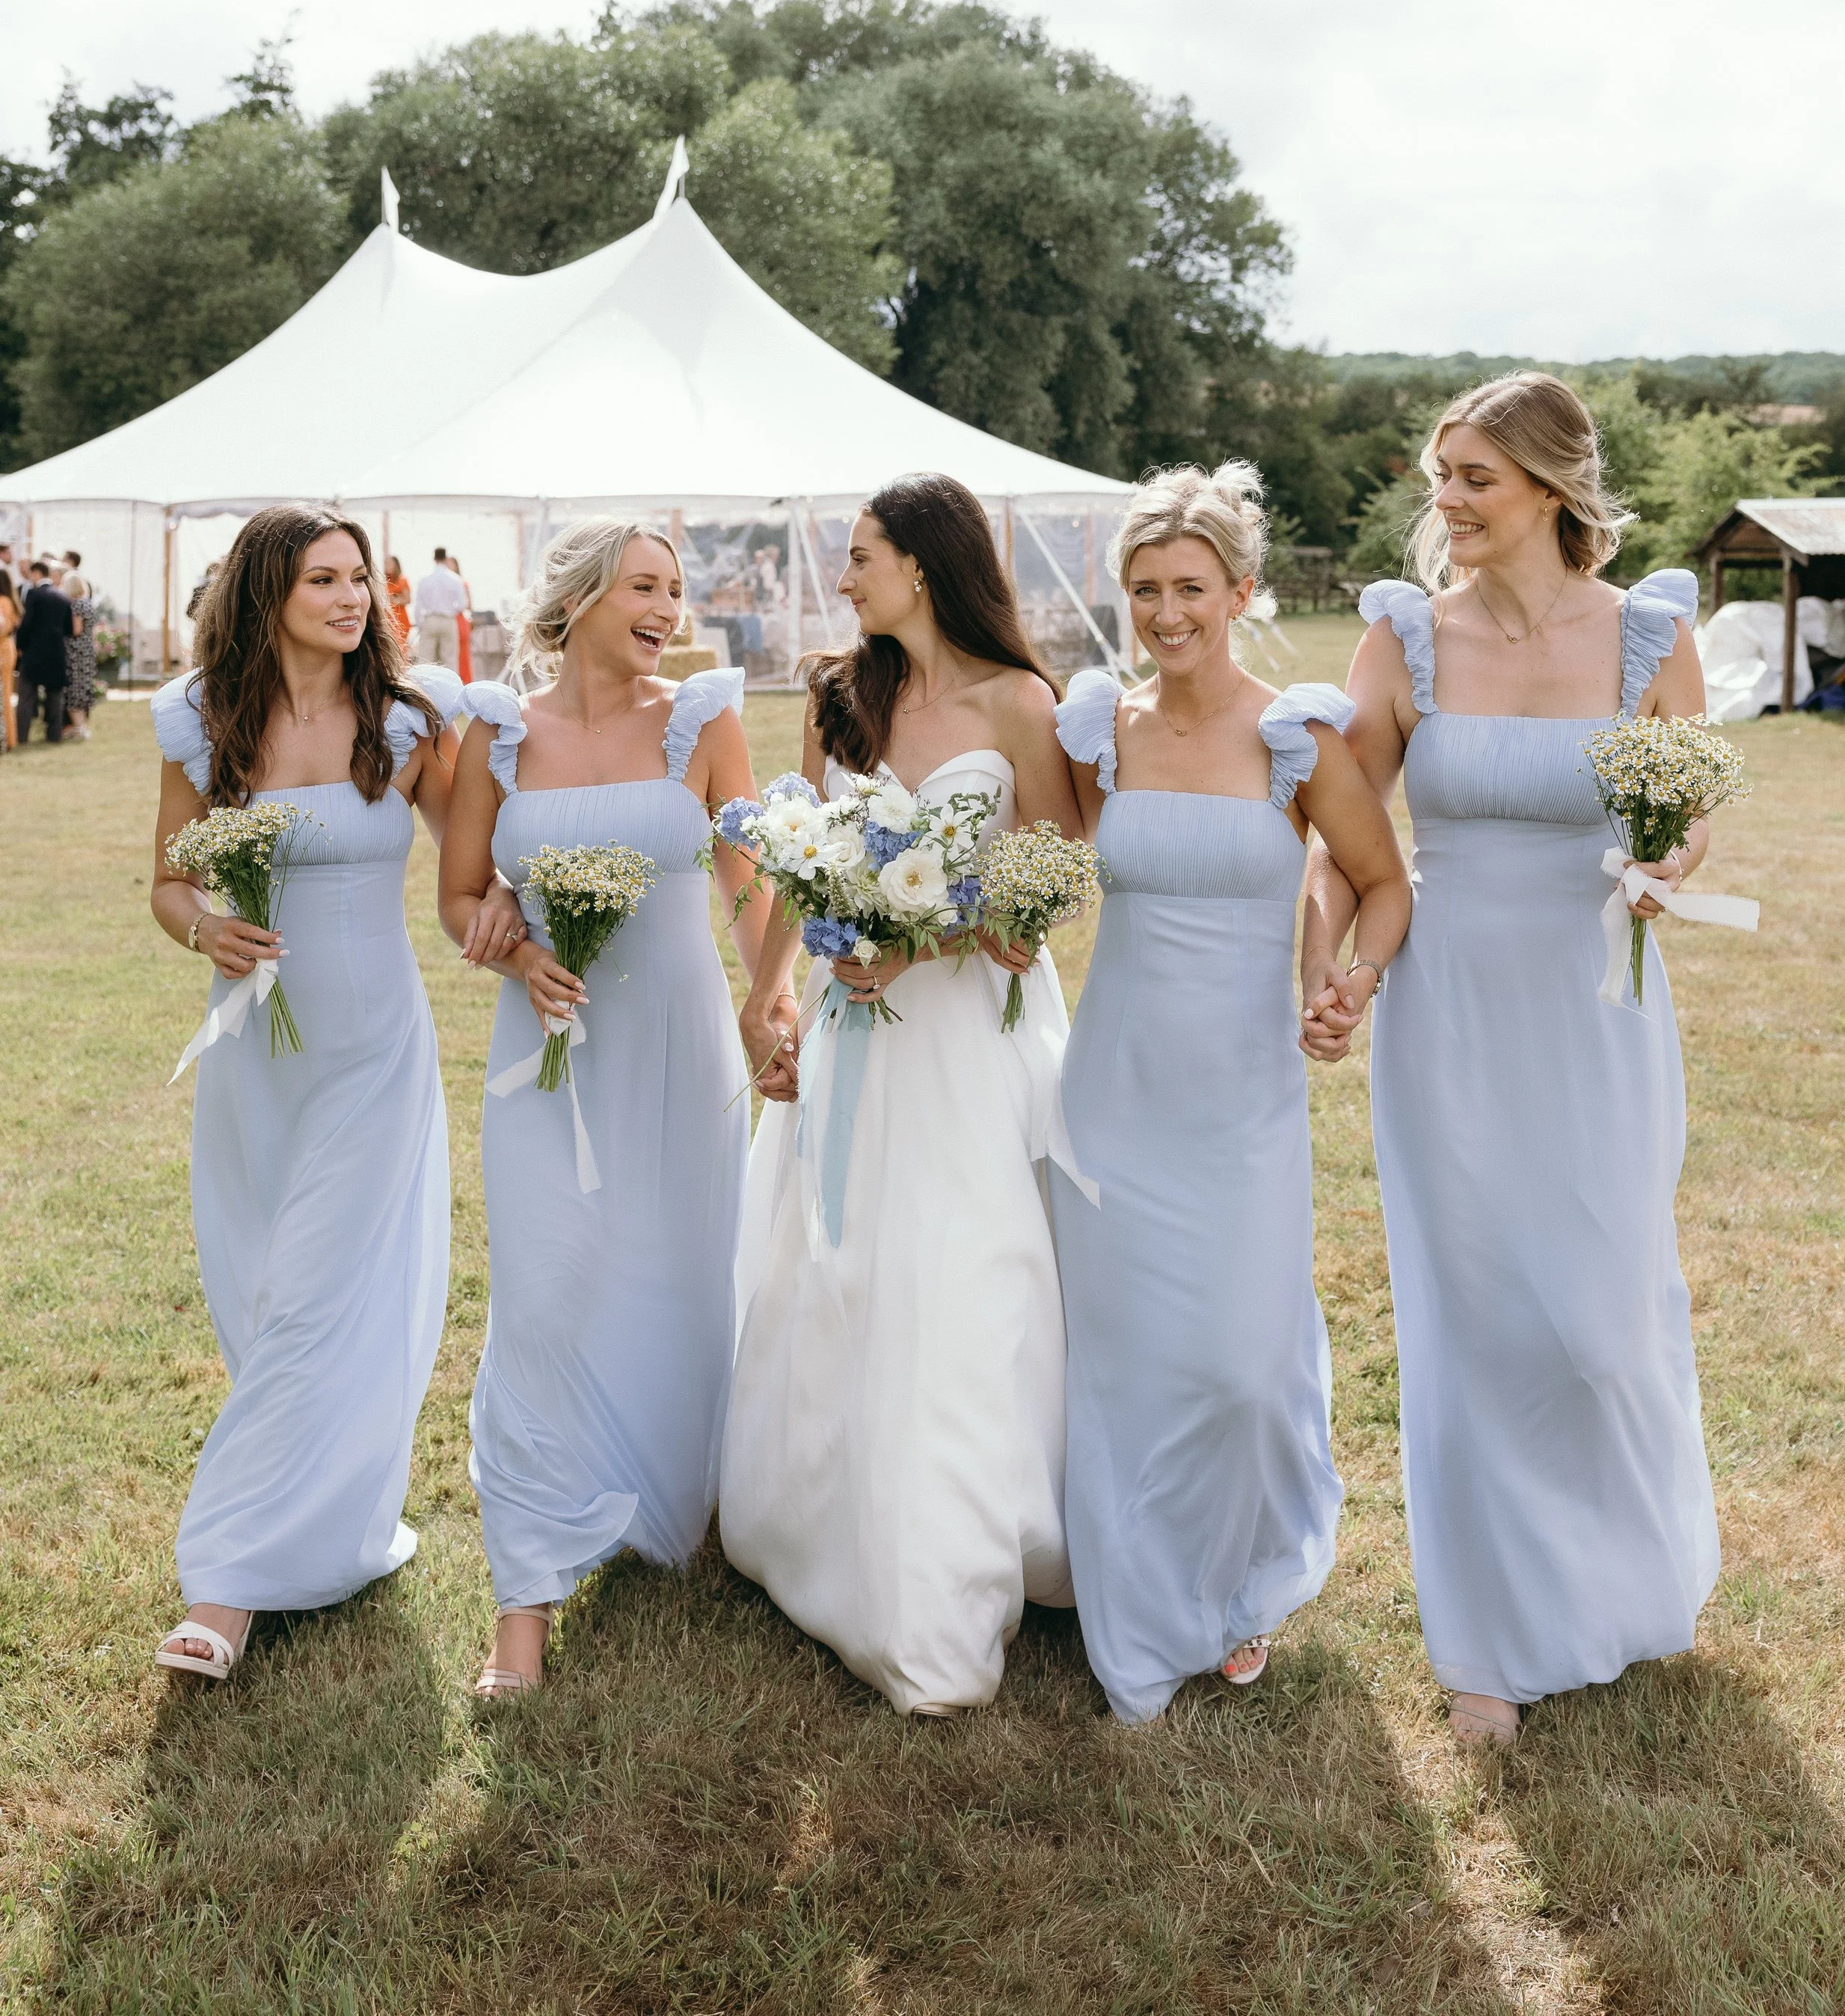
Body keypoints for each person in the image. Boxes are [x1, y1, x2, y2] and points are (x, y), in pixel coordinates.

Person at [1307, 373, 1723, 1748]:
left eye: (1474, 476)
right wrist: (1338, 966)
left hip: (1601, 1004)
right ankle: (1484, 1639)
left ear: (1553, 487)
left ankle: (1625, 1581)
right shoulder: (1405, 636)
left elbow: (1689, 809)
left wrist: (1670, 861)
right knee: (1477, 1316)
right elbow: (1340, 818)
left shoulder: (1651, 632)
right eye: (1442, 474)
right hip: (1453, 1007)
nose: (1448, 501)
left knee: (1602, 1317)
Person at [722, 471, 1089, 1717]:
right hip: (845, 1024)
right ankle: (826, 1527)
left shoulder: (1018, 703)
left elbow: (1046, 882)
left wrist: (927, 939)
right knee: (841, 1263)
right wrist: (768, 993)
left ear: (924, 566)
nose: (844, 574)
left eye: (863, 553)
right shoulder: (837, 697)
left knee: (963, 1272)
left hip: (966, 1039)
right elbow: (794, 861)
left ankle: (958, 1560)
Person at [1051, 463, 1413, 1723]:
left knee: (1244, 1367)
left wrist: (1348, 984)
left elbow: (1382, 885)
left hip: (1242, 1100)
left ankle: (1245, 1574)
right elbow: (1038, 872)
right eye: (1146, 588)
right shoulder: (1100, 731)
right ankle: (1141, 1608)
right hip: (1114, 1087)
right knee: (1127, 1359)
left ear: (1240, 591)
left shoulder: (1293, 737)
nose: (1166, 610)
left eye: (1190, 586)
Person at [146, 505, 518, 1683]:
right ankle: (335, 1525)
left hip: (372, 1051)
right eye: (324, 578)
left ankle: (225, 1586)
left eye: (361, 577)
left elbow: (477, 859)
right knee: (265, 1295)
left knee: (315, 1292)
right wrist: (207, 923)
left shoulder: (407, 722)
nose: (353, 596)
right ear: (269, 593)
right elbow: (165, 879)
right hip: (258, 1056)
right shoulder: (204, 723)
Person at [438, 519, 770, 1700]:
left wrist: (770, 1000)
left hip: (683, 1047)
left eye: (677, 590)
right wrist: (509, 948)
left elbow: (751, 887)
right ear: (580, 597)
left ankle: (681, 1506)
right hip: (548, 1055)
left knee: (684, 1272)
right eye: (646, 585)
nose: (669, 607)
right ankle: (521, 1601)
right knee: (541, 1288)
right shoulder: (500, 729)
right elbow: (464, 893)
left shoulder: (702, 720)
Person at [15, 560, 74, 746]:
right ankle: (54, 735)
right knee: (55, 697)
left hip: (33, 653)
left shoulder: (34, 595)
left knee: (26, 696)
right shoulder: (63, 597)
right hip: (56, 653)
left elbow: (27, 625)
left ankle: (22, 736)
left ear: (36, 573)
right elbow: (69, 629)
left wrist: (20, 646)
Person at [60, 552, 95, 739]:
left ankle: (79, 727)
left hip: (76, 652)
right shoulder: (88, 603)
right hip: (87, 650)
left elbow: (76, 630)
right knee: (83, 688)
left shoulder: (77, 606)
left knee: (75, 689)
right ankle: (80, 726)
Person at [413, 547, 467, 667]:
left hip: (430, 619)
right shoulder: (455, 579)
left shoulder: (424, 579)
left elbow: (418, 605)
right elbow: (462, 604)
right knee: (450, 660)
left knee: (425, 660)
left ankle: (422, 685)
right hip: (448, 620)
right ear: (445, 558)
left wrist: (420, 623)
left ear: (434, 558)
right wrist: (450, 612)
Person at [0, 554, 18, 753]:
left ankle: (7, 738)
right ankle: (9, 737)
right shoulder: (9, 601)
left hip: (2, 650)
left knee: (4, 696)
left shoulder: (2, 602)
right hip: (7, 648)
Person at [446, 553, 474, 680]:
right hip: (453, 620)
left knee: (461, 657)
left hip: (457, 621)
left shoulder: (461, 583)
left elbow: (468, 604)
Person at [384, 554, 413, 646]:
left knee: (401, 648)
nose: (387, 565)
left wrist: (394, 600)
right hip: (388, 618)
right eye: (386, 563)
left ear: (396, 565)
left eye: (389, 563)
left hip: (401, 619)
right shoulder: (384, 581)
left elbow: (408, 599)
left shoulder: (402, 580)